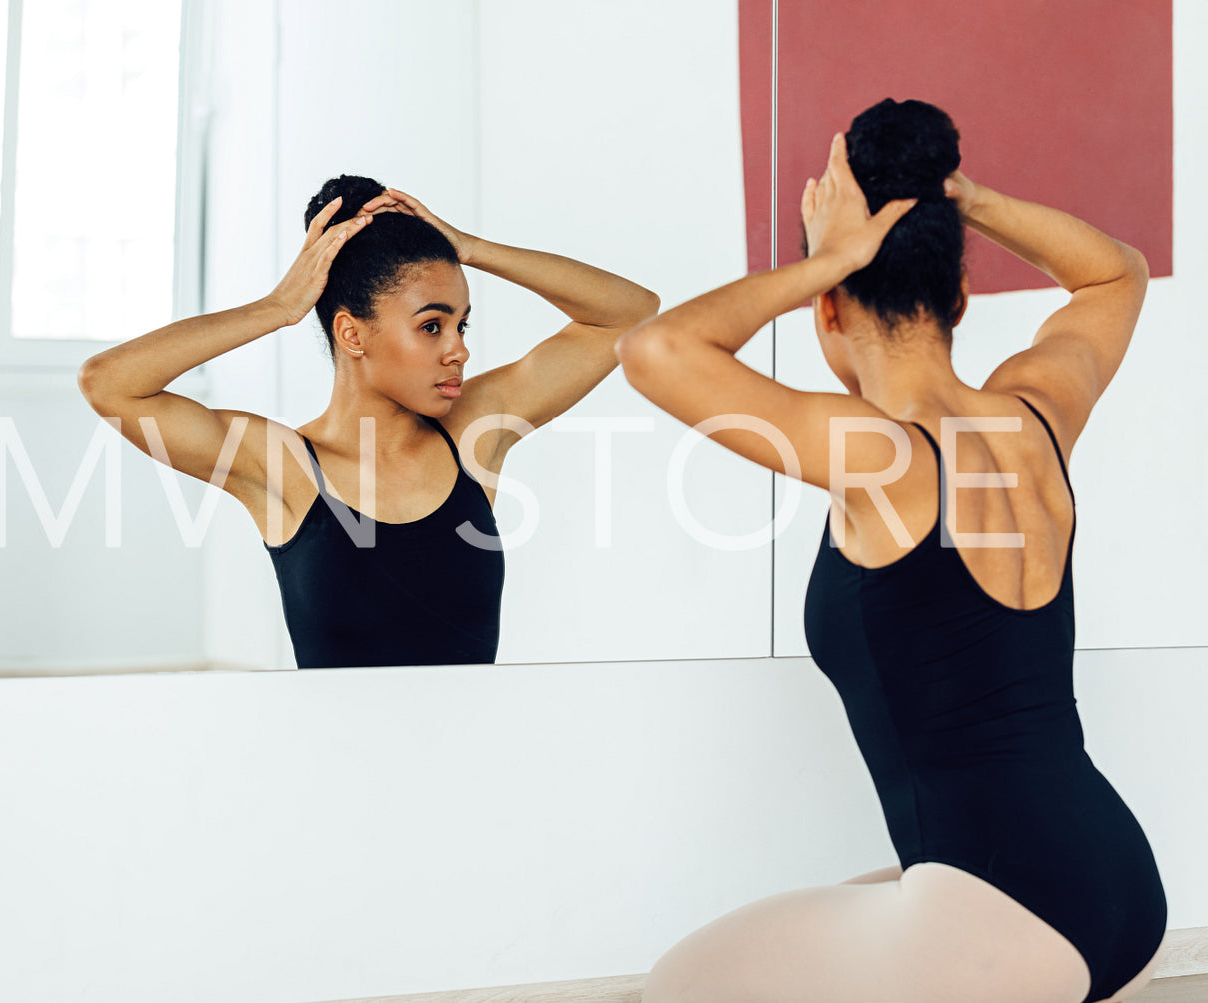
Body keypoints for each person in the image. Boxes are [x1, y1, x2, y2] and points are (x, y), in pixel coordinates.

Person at [616, 99, 1165, 1003]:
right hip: (1119, 888)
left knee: (674, 989)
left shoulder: (876, 452)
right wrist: (960, 199)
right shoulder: (1034, 415)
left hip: (1008, 917)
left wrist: (828, 255)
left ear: (826, 307)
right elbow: (1115, 277)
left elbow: (657, 348)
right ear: (957, 296)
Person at [78, 175, 658, 668]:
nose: (458, 350)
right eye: (432, 326)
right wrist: (277, 308)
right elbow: (108, 382)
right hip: (337, 780)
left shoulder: (475, 433)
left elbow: (629, 314)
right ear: (352, 334)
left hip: (476, 769)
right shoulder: (280, 465)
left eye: (462, 325)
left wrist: (468, 247)